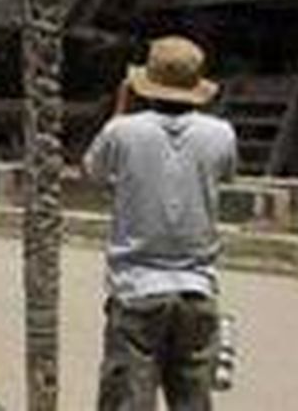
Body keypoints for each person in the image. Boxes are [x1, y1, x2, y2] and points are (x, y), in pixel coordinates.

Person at [83, 36, 237, 411]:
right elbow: (225, 174)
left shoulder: (122, 131)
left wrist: (121, 108)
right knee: (192, 400)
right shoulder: (221, 134)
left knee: (128, 400)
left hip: (137, 287)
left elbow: (92, 170)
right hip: (197, 286)